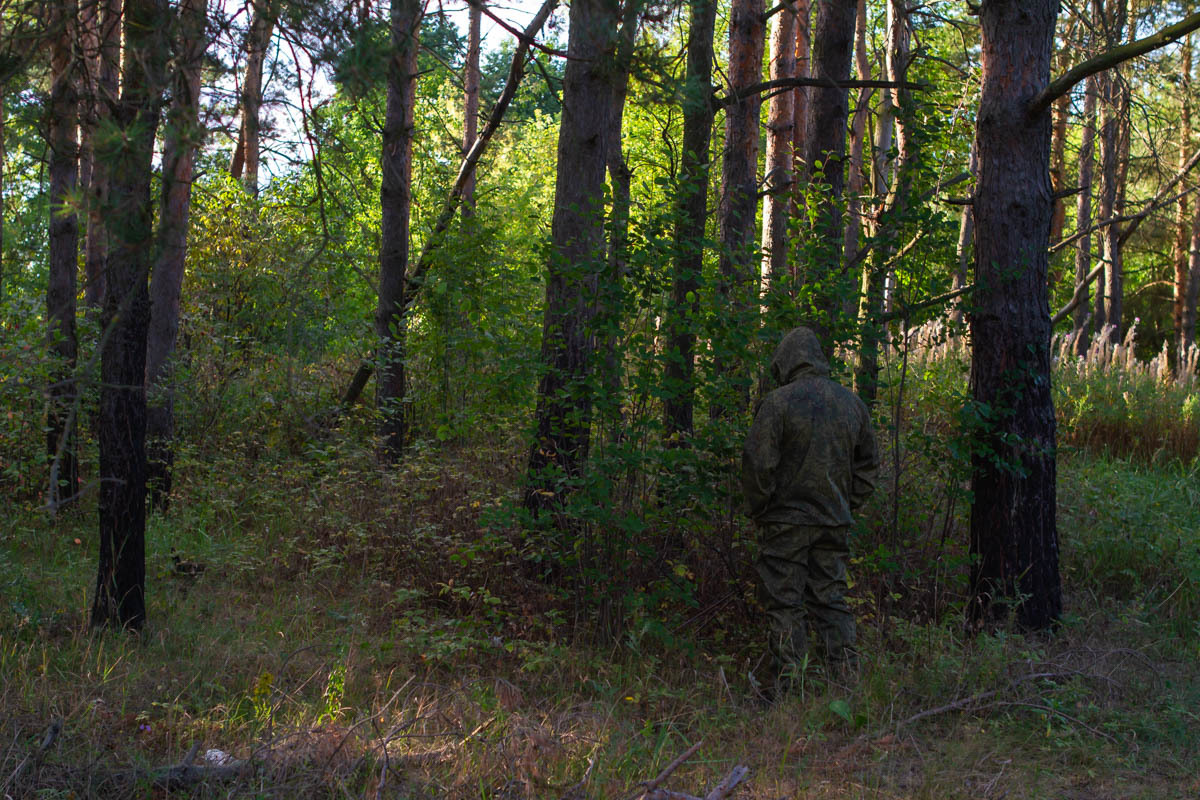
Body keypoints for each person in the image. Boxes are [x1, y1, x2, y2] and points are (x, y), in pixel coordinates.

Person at [742, 327, 879, 692]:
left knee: (785, 603)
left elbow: (758, 464)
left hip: (786, 524)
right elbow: (868, 467)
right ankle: (847, 681)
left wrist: (761, 509)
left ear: (786, 361)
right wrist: (847, 504)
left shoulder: (779, 403)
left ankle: (791, 689)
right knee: (831, 599)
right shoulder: (852, 405)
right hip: (833, 523)